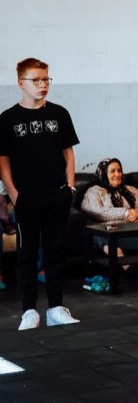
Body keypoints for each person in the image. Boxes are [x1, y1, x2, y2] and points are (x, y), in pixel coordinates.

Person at [0, 58, 80, 330]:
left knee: (56, 252)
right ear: (21, 83)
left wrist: (70, 186)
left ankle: (56, 308)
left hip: (57, 194)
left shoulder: (60, 114)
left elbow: (68, 152)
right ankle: (29, 311)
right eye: (36, 80)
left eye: (46, 79)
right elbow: (3, 159)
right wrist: (14, 193)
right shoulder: (8, 119)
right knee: (27, 253)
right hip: (27, 198)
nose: (42, 85)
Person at [83, 158, 138, 265]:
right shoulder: (94, 191)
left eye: (119, 170)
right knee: (105, 236)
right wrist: (127, 213)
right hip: (107, 232)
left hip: (130, 231)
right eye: (113, 171)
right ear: (103, 173)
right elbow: (98, 212)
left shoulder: (131, 190)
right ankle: (128, 269)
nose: (118, 174)